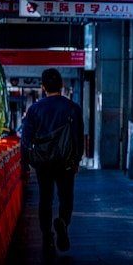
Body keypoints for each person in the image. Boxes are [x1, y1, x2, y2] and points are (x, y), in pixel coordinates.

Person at [20, 68, 85, 253]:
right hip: (65, 162)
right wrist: (76, 160)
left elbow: (26, 140)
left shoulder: (34, 110)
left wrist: (24, 166)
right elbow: (78, 137)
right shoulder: (73, 108)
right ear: (62, 85)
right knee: (66, 198)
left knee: (45, 200)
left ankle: (47, 238)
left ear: (42, 87)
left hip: (43, 164)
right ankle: (63, 222)